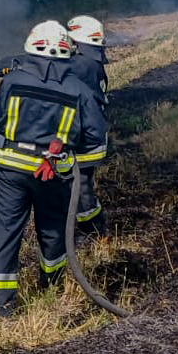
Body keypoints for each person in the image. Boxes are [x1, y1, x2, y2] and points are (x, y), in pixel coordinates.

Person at [0, 20, 108, 318]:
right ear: (68, 51)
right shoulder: (78, 88)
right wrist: (63, 142)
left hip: (11, 169)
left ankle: (3, 306)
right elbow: (94, 134)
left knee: (4, 232)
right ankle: (49, 285)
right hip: (54, 173)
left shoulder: (12, 81)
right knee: (52, 230)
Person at [66, 14, 109, 239]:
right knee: (81, 184)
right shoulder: (92, 62)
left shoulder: (82, 64)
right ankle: (91, 226)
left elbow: (56, 73)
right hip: (91, 134)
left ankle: (94, 229)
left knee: (79, 185)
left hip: (86, 138)